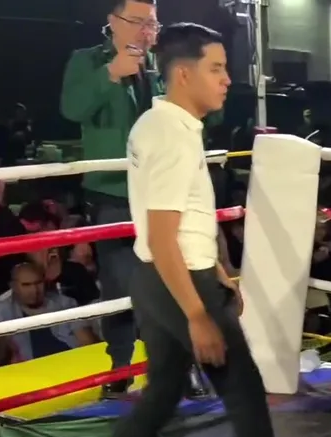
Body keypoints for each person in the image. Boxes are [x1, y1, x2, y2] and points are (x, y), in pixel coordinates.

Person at [77, 23, 323, 437]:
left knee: (165, 389)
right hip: (177, 281)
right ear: (184, 74)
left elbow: (175, 224)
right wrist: (197, 313)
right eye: (217, 68)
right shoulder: (171, 136)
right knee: (243, 384)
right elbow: (165, 234)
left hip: (160, 276)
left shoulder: (160, 124)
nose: (227, 79)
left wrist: (216, 268)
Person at [60, 0, 210, 400]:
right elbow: (71, 109)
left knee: (172, 276)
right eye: (139, 22)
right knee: (121, 285)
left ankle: (179, 366)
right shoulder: (87, 61)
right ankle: (122, 367)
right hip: (112, 192)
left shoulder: (158, 64)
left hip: (161, 188)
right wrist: (111, 73)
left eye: (153, 23)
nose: (147, 31)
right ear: (114, 22)